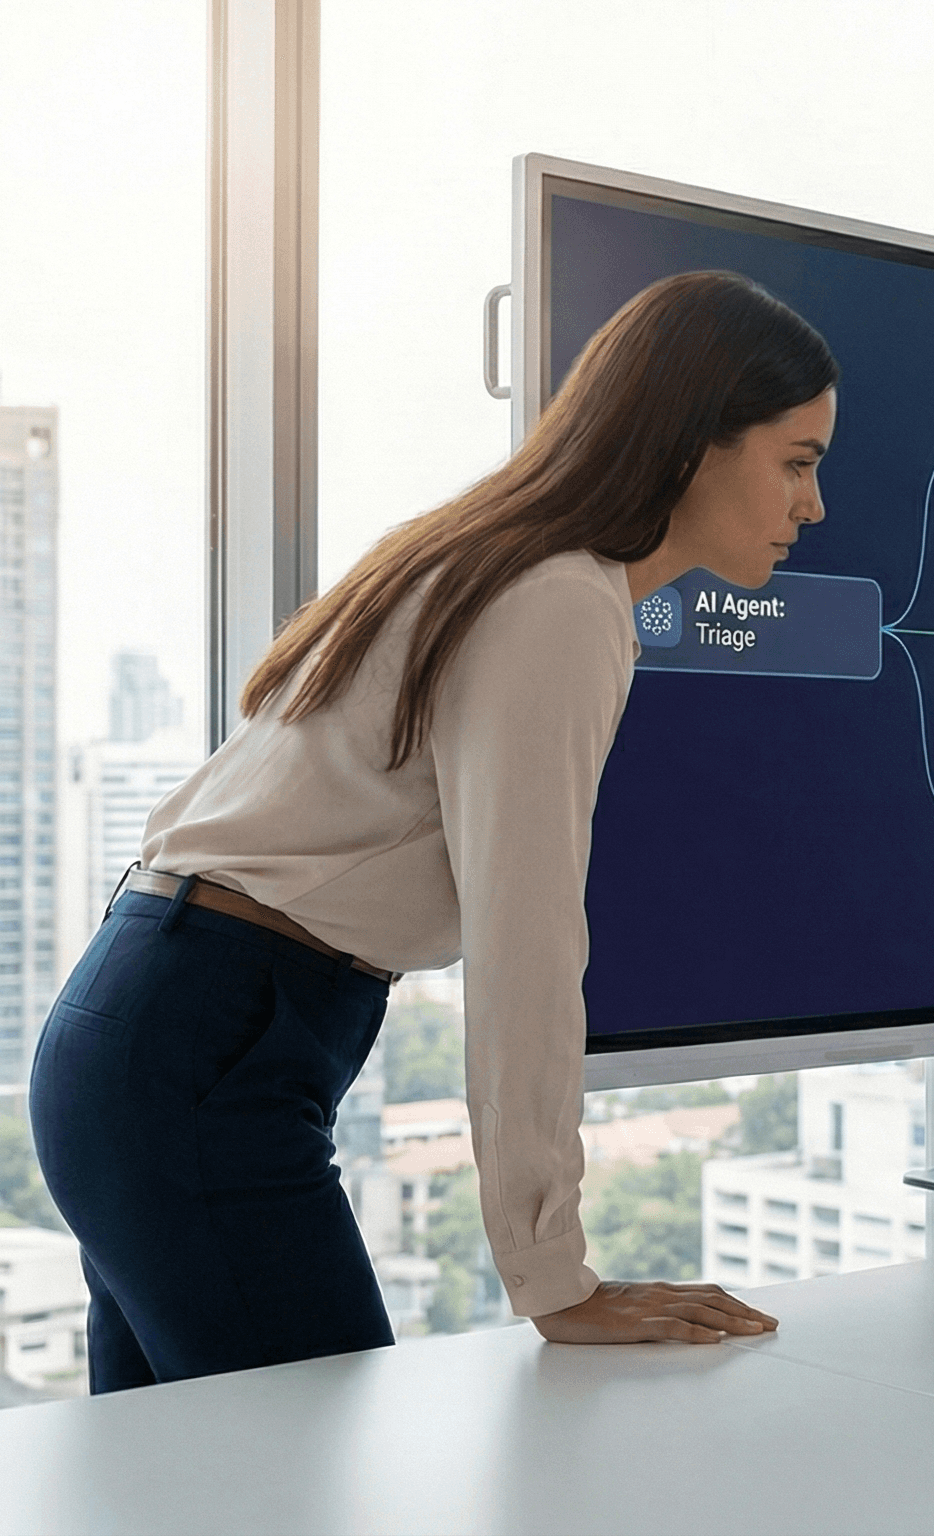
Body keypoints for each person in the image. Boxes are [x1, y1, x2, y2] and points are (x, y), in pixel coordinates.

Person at [29, 271, 827, 1390]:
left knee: (188, 1492)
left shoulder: (499, 559)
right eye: (797, 460)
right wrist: (556, 1276)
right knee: (305, 1474)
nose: (813, 504)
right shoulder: (560, 600)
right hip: (208, 1044)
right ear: (696, 442)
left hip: (152, 1021)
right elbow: (527, 944)